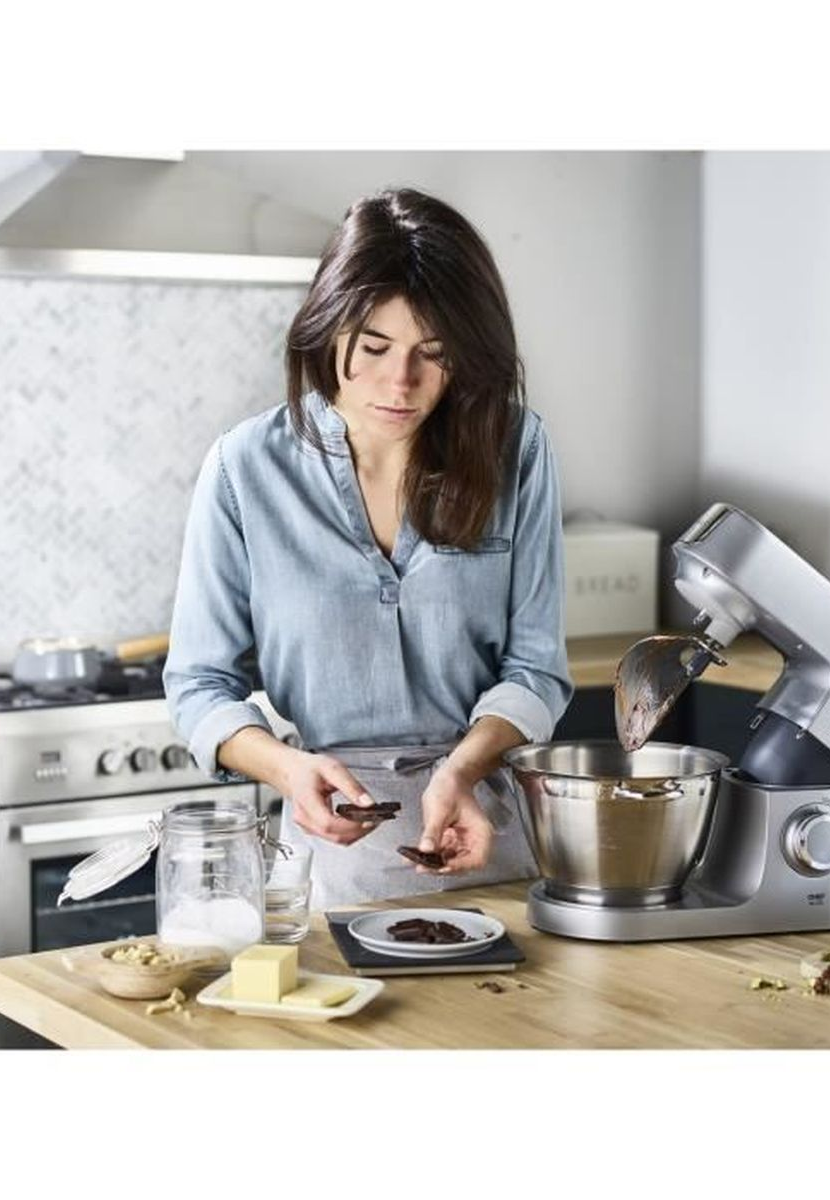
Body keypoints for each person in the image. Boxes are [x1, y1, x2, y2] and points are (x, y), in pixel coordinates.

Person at [164, 187, 572, 908]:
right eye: (375, 347)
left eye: (434, 355)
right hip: (327, 865)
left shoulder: (517, 450)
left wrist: (463, 771)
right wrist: (288, 769)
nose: (401, 382)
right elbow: (200, 686)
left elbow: (536, 668)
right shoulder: (243, 468)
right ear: (327, 330)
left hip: (491, 840)